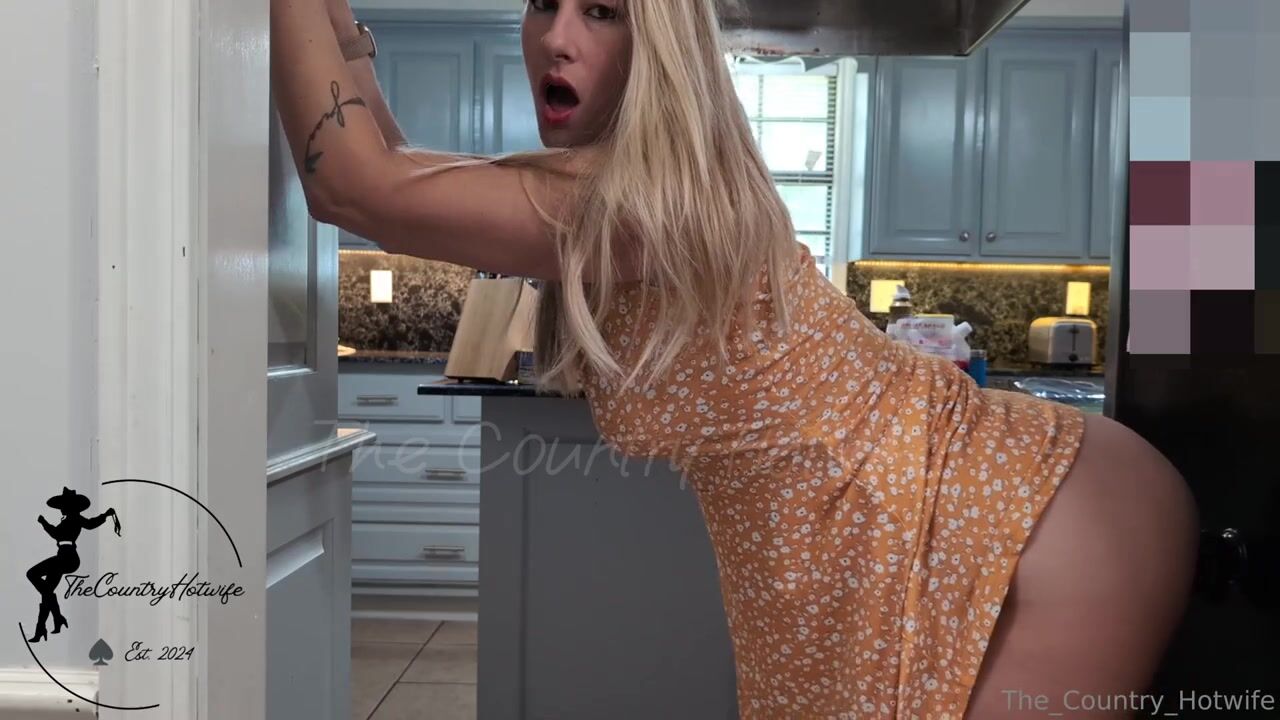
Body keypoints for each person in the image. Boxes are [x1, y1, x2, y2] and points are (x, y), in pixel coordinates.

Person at [269, 0, 1200, 716]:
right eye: (544, 3)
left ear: (662, 41)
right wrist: (341, 27)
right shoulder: (612, 184)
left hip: (1036, 523)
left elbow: (356, 187)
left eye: (603, 11)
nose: (555, 37)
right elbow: (389, 165)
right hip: (976, 524)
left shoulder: (645, 203)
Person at [26, 487, 121, 643]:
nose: (61, 509)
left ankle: (55, 619)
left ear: (69, 506)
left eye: (63, 506)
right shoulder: (68, 519)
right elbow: (62, 532)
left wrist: (44, 522)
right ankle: (45, 626)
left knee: (32, 574)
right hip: (61, 557)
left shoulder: (75, 518)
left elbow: (86, 525)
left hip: (68, 558)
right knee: (47, 592)